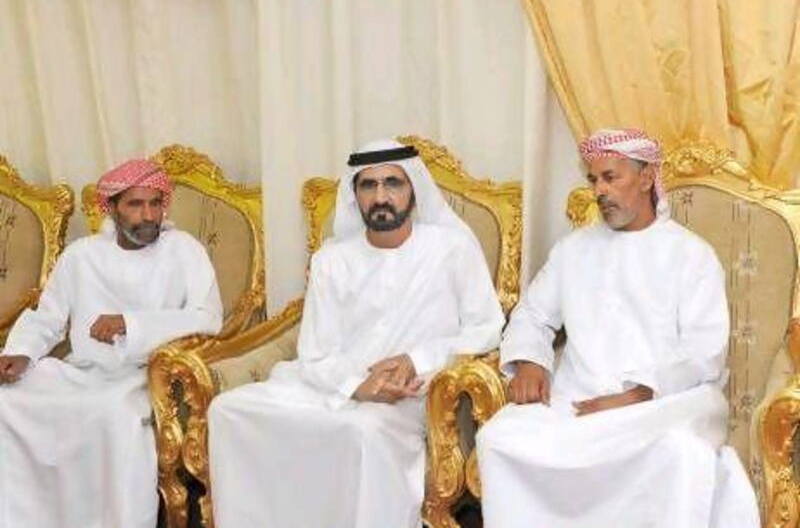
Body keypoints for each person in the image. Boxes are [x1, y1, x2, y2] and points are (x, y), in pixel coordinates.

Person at [208, 138, 505, 528]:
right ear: (356, 195)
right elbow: (313, 352)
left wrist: (416, 359)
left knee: (361, 429)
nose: (381, 196)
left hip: (412, 395)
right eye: (368, 185)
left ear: (413, 191)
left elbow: (487, 327)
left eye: (393, 184)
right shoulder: (332, 259)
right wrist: (355, 386)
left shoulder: (452, 249)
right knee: (228, 410)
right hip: (331, 387)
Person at [476, 128, 760, 528]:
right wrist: (529, 362)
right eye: (594, 180)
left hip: (667, 401)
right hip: (579, 397)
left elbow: (704, 352)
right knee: (498, 439)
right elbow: (532, 315)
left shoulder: (691, 255)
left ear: (646, 178)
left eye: (611, 177)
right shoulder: (573, 250)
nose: (600, 191)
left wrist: (637, 394)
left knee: (680, 453)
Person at [0, 158, 223, 528]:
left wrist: (130, 325)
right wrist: (20, 352)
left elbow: (208, 318)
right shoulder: (82, 255)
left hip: (144, 376)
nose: (148, 214)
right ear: (113, 208)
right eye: (135, 205)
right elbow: (49, 317)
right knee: (8, 399)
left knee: (111, 415)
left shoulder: (183, 250)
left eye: (155, 203)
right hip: (83, 370)